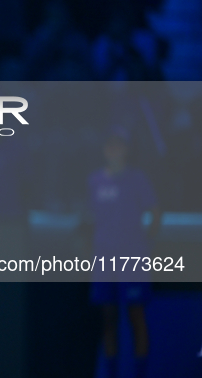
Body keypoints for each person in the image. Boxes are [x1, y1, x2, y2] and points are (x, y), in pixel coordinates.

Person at [85, 128, 161, 378]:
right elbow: (89, 216)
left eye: (119, 146)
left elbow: (155, 212)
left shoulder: (137, 179)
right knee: (108, 317)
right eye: (110, 146)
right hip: (104, 259)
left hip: (132, 258)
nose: (114, 151)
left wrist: (143, 242)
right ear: (104, 150)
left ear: (126, 150)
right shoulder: (95, 180)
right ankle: (112, 371)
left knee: (135, 315)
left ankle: (140, 372)